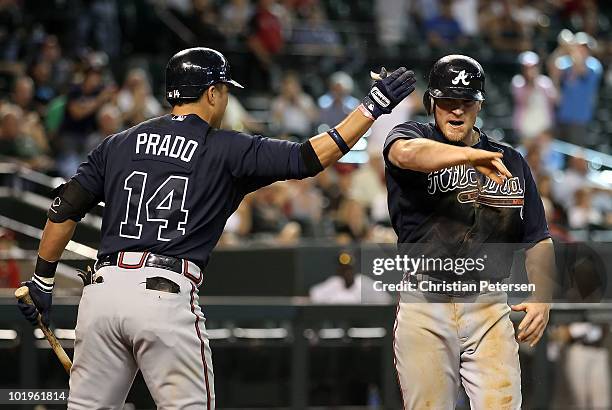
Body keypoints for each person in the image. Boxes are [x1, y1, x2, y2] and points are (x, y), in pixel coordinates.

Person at [16, 47, 416, 409]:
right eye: (224, 89)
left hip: (101, 294)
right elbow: (311, 157)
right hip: (164, 292)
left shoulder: (118, 143)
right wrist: (372, 106)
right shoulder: (226, 147)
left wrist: (43, 280)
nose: (226, 98)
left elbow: (63, 209)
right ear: (210, 92)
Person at [383, 55, 554, 409]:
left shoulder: (511, 161)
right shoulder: (413, 135)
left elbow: (537, 237)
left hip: (487, 305)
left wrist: (542, 295)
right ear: (431, 103)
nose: (456, 110)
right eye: (447, 101)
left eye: (465, 102)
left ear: (480, 106)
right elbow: (405, 154)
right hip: (425, 302)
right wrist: (469, 157)